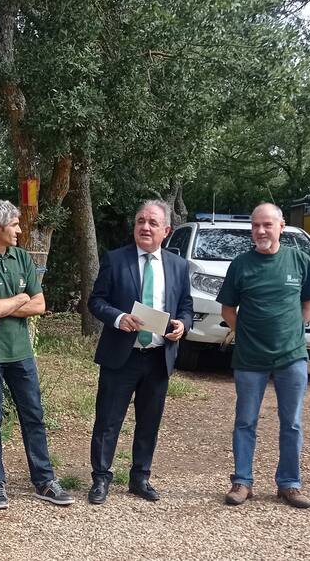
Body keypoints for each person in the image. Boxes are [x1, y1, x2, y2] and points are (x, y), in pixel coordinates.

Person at [0, 200, 75, 509]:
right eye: (15, 225)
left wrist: (6, 302)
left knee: (34, 416)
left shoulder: (22, 257)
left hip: (20, 353)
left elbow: (39, 305)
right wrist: (20, 297)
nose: (20, 230)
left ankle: (45, 481)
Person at [86, 200, 193, 505]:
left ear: (166, 230)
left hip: (158, 356)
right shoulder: (115, 260)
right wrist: (119, 318)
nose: (145, 227)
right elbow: (96, 301)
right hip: (122, 355)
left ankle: (140, 477)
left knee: (149, 421)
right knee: (108, 420)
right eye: (140, 221)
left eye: (152, 223)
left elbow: (186, 307)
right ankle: (101, 478)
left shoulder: (178, 265)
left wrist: (181, 326)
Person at [216, 202, 310, 509]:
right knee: (245, 421)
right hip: (249, 359)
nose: (260, 231)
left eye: (267, 225)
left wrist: (289, 332)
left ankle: (289, 484)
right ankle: (242, 482)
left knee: (292, 423)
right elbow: (227, 310)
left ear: (281, 228)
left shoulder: (299, 260)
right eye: (256, 226)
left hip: (292, 357)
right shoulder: (240, 264)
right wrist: (248, 334)